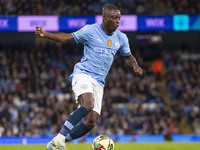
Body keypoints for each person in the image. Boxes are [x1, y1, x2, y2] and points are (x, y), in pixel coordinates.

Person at [35, 3, 143, 150]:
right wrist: (45, 34)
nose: (118, 21)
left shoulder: (122, 37)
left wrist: (135, 65)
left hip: (99, 82)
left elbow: (128, 56)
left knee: (91, 121)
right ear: (104, 18)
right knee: (88, 103)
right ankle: (59, 138)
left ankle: (57, 144)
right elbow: (68, 37)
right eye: (114, 18)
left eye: (119, 18)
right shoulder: (90, 30)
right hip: (83, 74)